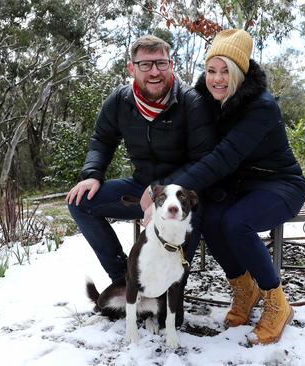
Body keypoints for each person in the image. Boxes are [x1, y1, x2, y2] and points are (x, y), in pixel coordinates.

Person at [170, 29, 305, 345]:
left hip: (280, 183)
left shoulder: (261, 106)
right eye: (211, 70)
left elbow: (223, 157)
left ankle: (277, 302)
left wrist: (172, 192)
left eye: (226, 71)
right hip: (241, 185)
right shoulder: (205, 102)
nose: (218, 79)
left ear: (241, 73)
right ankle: (245, 289)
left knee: (236, 222)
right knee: (211, 219)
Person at [66, 35, 215, 323]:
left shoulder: (191, 102)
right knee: (80, 203)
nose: (154, 71)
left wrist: (159, 192)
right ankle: (126, 277)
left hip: (181, 193)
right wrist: (92, 174)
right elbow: (101, 140)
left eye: (161, 63)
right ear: (131, 68)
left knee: (171, 318)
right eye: (145, 64)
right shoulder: (120, 101)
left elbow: (203, 160)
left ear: (171, 65)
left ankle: (173, 287)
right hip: (139, 188)